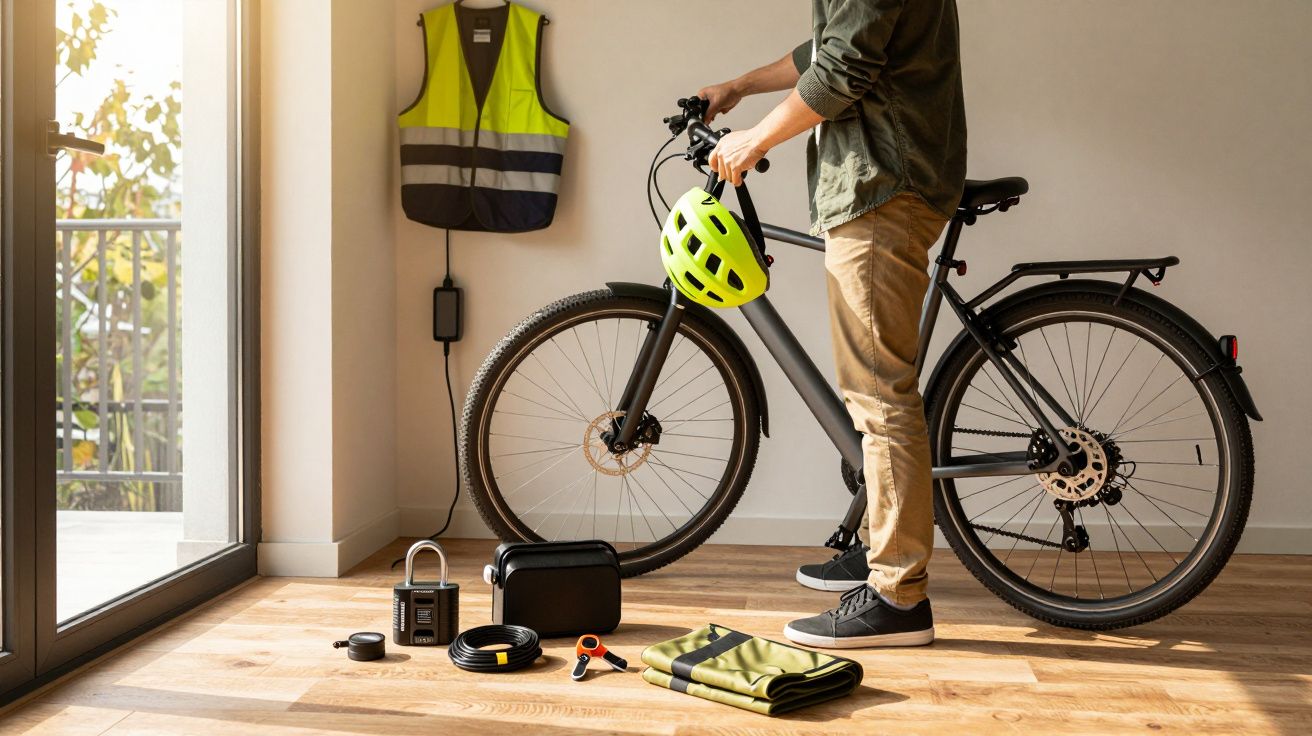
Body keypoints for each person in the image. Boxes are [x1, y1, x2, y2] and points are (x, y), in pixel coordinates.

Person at [699, 0, 966, 648]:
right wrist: (740, 86)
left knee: (880, 396)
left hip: (882, 185)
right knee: (876, 391)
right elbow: (829, 45)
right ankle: (882, 545)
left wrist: (756, 138)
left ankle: (897, 596)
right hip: (892, 179)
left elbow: (844, 66)